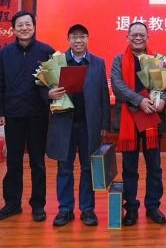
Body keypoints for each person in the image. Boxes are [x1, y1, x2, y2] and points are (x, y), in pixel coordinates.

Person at [0, 10, 55, 222]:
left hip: (38, 116)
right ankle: (12, 203)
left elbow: (54, 83)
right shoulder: (5, 53)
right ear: (13, 29)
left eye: (28, 24)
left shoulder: (47, 51)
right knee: (13, 161)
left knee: (37, 162)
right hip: (13, 115)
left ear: (34, 27)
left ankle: (38, 205)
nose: (24, 28)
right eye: (19, 25)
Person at [46, 24, 110, 227]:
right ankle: (65, 209)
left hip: (89, 124)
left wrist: (104, 124)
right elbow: (45, 87)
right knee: (64, 167)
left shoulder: (98, 63)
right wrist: (49, 93)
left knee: (87, 168)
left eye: (82, 36)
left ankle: (87, 209)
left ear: (88, 39)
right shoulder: (57, 61)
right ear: (68, 40)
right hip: (64, 123)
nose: (78, 40)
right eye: (74, 37)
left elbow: (104, 95)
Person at [111, 22, 166, 226]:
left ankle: (153, 206)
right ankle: (131, 208)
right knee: (129, 167)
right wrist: (140, 101)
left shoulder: (159, 60)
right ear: (127, 37)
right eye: (134, 34)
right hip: (129, 119)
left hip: (153, 118)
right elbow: (118, 86)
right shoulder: (119, 60)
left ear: (148, 37)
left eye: (142, 35)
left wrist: (164, 100)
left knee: (154, 166)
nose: (138, 38)